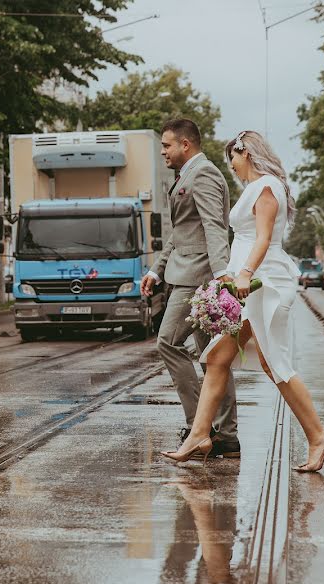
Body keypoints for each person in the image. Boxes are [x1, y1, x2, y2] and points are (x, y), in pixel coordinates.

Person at [162, 130, 324, 472]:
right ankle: (199, 435)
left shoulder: (267, 186)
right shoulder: (257, 188)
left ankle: (319, 438)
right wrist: (230, 273)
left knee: (275, 364)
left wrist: (244, 273)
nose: (232, 168)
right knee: (216, 359)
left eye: (234, 160)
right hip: (248, 282)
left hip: (263, 283)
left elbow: (263, 238)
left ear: (247, 154)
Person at [142, 119, 240, 459]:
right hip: (186, 273)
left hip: (198, 280)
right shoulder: (187, 176)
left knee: (167, 342)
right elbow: (181, 231)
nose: (163, 152)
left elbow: (215, 228)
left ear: (186, 145)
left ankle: (201, 426)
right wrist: (156, 269)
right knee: (214, 359)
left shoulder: (205, 174)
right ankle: (226, 435)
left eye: (167, 145)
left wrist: (222, 275)